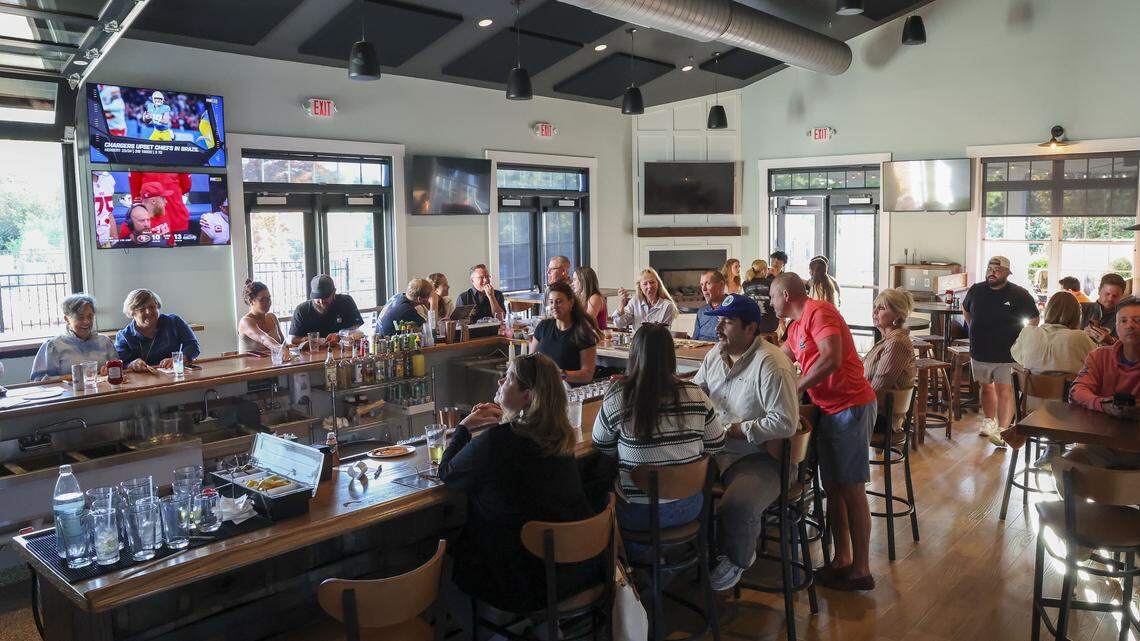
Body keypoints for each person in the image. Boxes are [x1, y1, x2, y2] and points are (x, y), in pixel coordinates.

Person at [439, 353, 598, 613]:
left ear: (528, 396)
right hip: (576, 569)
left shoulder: (495, 441)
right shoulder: (561, 438)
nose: (500, 381)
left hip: (522, 583)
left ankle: (497, 631)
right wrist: (507, 417)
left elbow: (448, 472)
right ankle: (543, 628)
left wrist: (464, 427)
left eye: (509, 377)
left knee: (448, 563)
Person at [771, 272, 878, 591]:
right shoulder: (795, 328)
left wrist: (796, 386)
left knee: (852, 490)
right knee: (832, 488)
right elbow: (779, 357)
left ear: (785, 295)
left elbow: (831, 358)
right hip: (829, 410)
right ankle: (841, 560)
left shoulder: (819, 312)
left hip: (851, 406)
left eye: (772, 297)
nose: (770, 303)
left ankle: (861, 570)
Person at [692, 293, 799, 591]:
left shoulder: (772, 364)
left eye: (726, 322)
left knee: (737, 505)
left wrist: (738, 429)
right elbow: (697, 392)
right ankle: (692, 552)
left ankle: (737, 557)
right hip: (715, 451)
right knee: (672, 484)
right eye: (718, 321)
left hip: (760, 456)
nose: (717, 328)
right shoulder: (715, 355)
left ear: (750, 328)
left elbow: (786, 423)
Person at [592, 323, 725, 532]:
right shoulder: (696, 394)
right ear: (671, 356)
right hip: (690, 506)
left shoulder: (619, 396)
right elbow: (717, 444)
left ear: (634, 355)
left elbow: (601, 445)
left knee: (596, 486)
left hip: (639, 514)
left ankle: (628, 550)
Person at [1052, 297, 1140, 473]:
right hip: (1102, 444)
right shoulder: (1100, 356)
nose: (1130, 325)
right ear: (1116, 327)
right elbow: (1076, 391)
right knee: (1065, 468)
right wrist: (1103, 404)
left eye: (1137, 320)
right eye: (1123, 321)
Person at [962, 256, 1040, 447]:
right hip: (980, 350)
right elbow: (966, 310)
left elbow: (1034, 318)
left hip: (1008, 353)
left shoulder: (1019, 294)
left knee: (1005, 390)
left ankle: (1003, 430)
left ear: (1007, 272)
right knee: (986, 388)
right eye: (989, 269)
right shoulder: (976, 290)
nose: (992, 273)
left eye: (997, 270)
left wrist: (1023, 339)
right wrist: (973, 328)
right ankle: (989, 421)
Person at [29, 294, 119, 381]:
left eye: (90, 317)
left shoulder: (104, 341)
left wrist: (110, 371)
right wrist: (70, 377)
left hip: (101, 390)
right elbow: (40, 380)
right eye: (80, 317)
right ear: (66, 319)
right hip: (68, 391)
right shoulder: (53, 346)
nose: (86, 322)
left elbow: (118, 370)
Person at [529, 282, 601, 385]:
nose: (554, 306)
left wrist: (560, 374)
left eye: (559, 302)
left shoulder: (583, 332)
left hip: (570, 391)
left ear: (571, 303)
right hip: (543, 388)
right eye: (551, 302)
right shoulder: (543, 327)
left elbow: (587, 375)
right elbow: (531, 360)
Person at [1011, 291, 1097, 376]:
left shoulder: (1028, 332)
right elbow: (1098, 363)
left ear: (1048, 310)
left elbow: (1017, 357)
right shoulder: (1079, 337)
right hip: (1072, 385)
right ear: (1077, 315)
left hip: (1031, 385)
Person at [114, 289, 200, 371]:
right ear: (132, 312)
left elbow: (193, 346)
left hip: (175, 375)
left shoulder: (174, 321)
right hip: (144, 379)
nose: (148, 312)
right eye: (142, 309)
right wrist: (132, 364)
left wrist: (178, 359)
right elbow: (121, 362)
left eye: (152, 307)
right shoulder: (124, 336)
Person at [862, 288, 918, 395]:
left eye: (881, 308)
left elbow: (878, 389)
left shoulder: (896, 344)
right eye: (875, 307)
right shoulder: (888, 339)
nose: (874, 312)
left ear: (898, 315)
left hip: (879, 405)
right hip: (867, 400)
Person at [289, 275, 364, 347]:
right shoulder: (302, 310)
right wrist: (304, 340)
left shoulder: (346, 302)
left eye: (325, 297)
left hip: (343, 350)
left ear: (334, 293)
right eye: (317, 297)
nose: (321, 302)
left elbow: (356, 328)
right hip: (313, 352)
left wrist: (340, 335)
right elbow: (294, 339)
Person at [613, 268, 678, 331]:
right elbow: (618, 324)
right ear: (640, 287)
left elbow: (663, 333)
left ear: (658, 284)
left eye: (652, 282)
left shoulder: (668, 306)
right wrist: (622, 303)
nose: (649, 286)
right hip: (637, 338)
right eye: (645, 284)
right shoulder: (635, 301)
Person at [237, 280, 286, 355]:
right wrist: (280, 349)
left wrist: (288, 347)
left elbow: (283, 343)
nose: (268, 302)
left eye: (269, 298)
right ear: (251, 301)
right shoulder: (245, 321)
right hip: (250, 363)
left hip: (273, 362)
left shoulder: (272, 317)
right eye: (263, 299)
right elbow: (263, 338)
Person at [1081, 273, 1126, 345]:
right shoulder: (1080, 309)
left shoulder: (1125, 317)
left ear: (1122, 296)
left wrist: (1111, 341)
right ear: (1099, 290)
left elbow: (1131, 345)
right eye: (1107, 294)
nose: (1110, 298)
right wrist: (1080, 334)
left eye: (1115, 296)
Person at [742, 261, 780, 334]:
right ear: (763, 271)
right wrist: (775, 275)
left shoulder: (745, 284)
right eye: (767, 269)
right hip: (770, 324)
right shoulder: (771, 283)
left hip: (751, 324)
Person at [692, 270, 726, 342]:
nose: (703, 289)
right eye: (701, 284)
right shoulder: (702, 311)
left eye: (708, 283)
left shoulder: (733, 308)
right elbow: (694, 339)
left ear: (721, 285)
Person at [571, 266, 607, 331]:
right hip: (583, 334)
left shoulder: (595, 297)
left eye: (574, 279)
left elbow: (587, 323)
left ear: (583, 280)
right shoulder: (578, 297)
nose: (572, 283)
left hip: (596, 336)